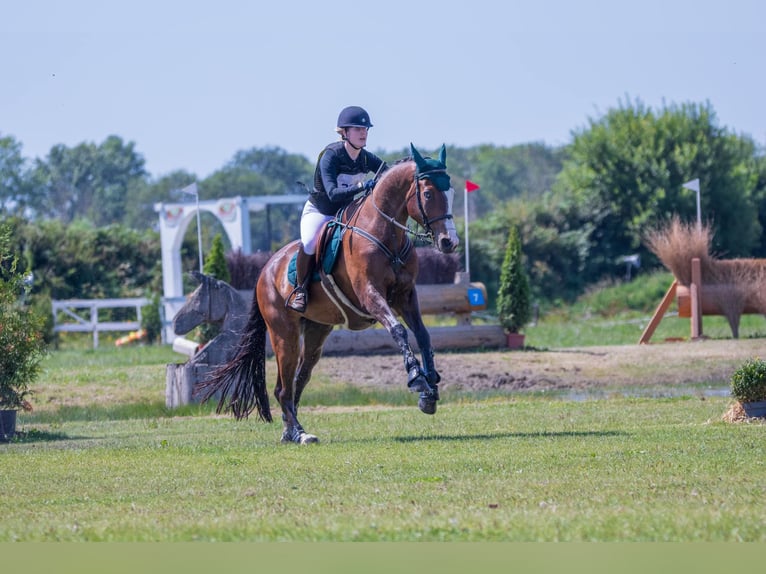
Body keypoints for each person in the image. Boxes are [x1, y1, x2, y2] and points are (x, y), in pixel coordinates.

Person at [286, 106, 386, 312]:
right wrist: (361, 186)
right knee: (310, 242)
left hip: (347, 213)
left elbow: (388, 173)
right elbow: (332, 193)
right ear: (344, 132)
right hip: (321, 211)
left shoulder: (366, 158)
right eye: (358, 129)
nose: (363, 133)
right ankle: (300, 290)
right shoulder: (330, 156)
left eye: (366, 129)